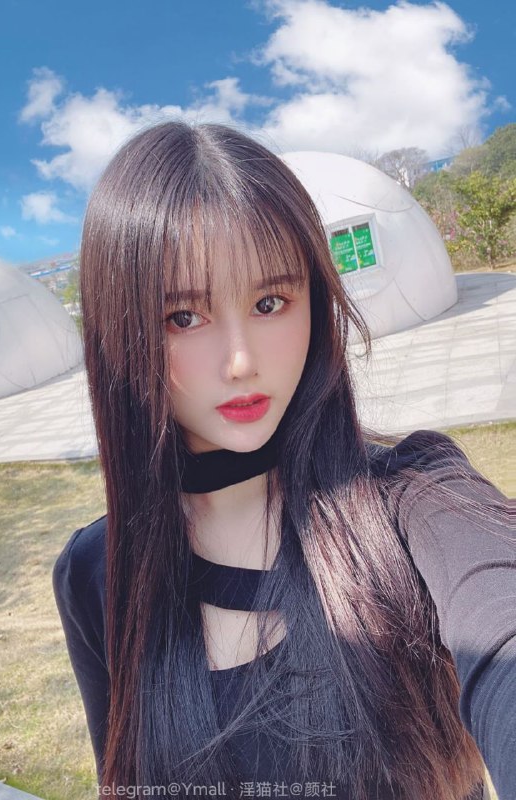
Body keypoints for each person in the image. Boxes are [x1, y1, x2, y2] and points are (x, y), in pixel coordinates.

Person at [52, 120, 514, 800]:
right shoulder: (97, 573)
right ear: (122, 334)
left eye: (270, 302)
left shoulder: (412, 500)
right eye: (183, 317)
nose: (242, 361)